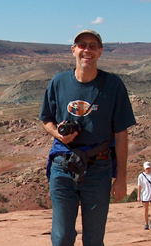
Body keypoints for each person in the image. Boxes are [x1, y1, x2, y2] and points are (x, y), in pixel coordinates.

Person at [39, 29, 136, 246]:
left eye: (93, 45)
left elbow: (121, 134)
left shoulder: (113, 85)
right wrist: (58, 134)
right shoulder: (58, 82)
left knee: (93, 239)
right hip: (63, 166)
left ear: (100, 51)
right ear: (73, 50)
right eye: (82, 45)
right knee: (62, 237)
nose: (87, 50)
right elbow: (46, 120)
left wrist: (121, 178)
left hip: (99, 168)